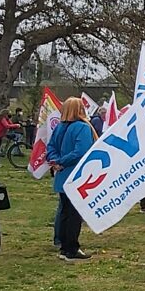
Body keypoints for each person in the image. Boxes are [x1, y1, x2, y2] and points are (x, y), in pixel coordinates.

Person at [46, 97, 97, 262]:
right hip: (76, 176)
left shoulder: (59, 127)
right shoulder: (82, 127)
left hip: (62, 176)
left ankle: (63, 246)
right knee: (74, 214)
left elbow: (51, 147)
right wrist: (61, 162)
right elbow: (80, 152)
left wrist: (56, 161)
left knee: (65, 212)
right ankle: (71, 248)